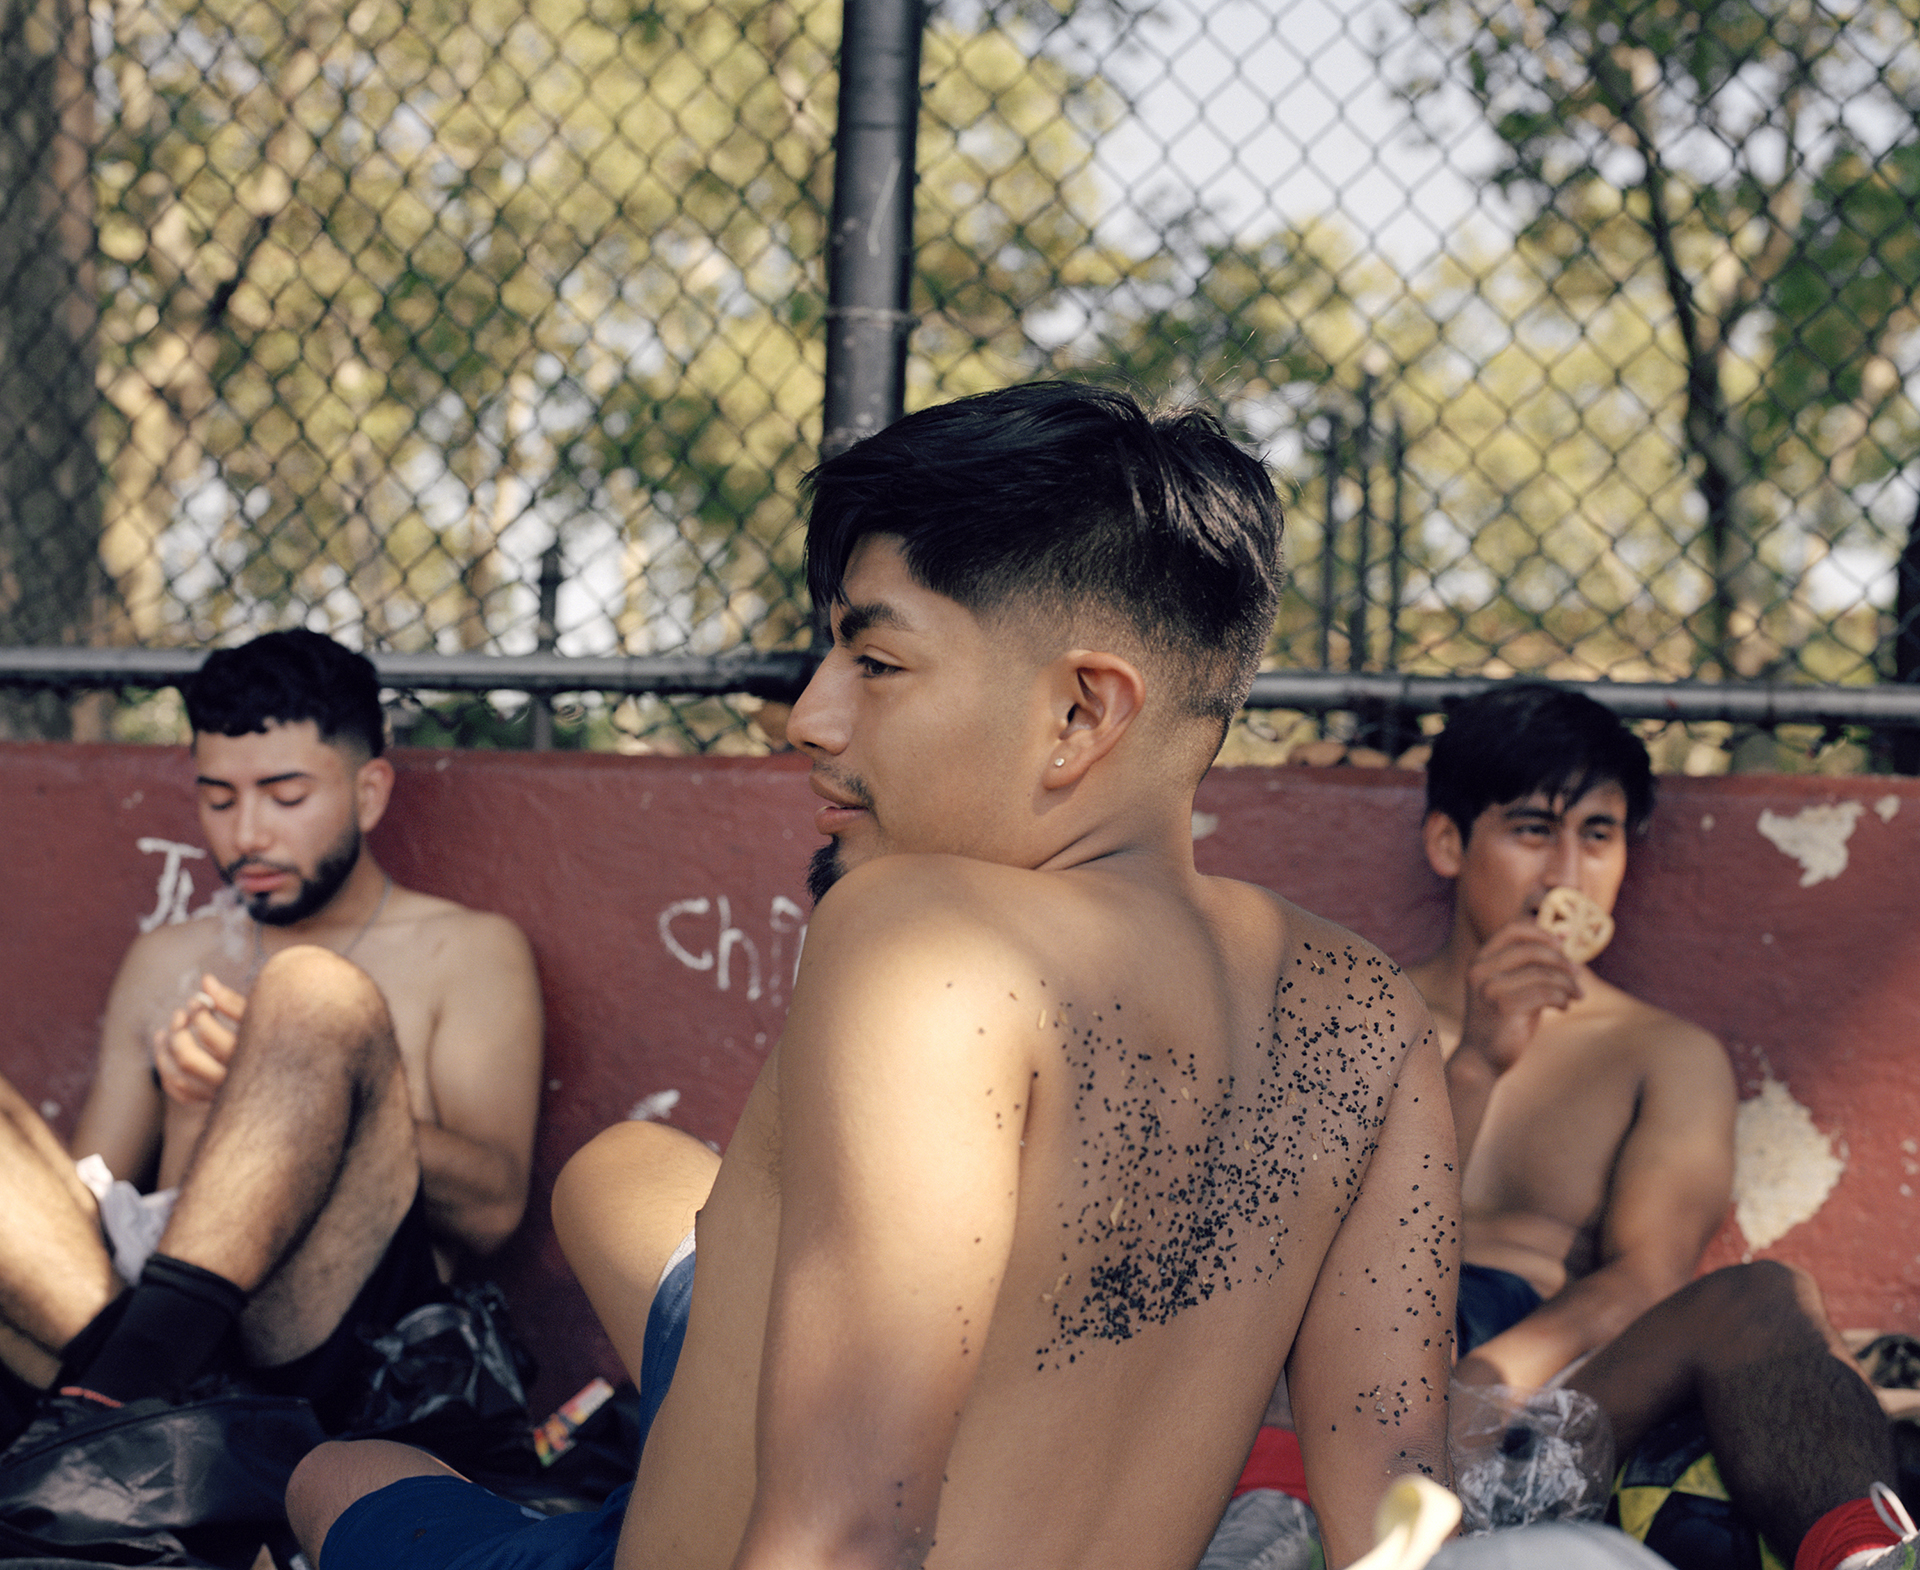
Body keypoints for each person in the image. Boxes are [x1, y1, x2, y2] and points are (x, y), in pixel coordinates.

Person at [286, 381, 1459, 1570]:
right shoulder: (1373, 1012)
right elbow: (1398, 1511)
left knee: (333, 1474)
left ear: (1080, 710)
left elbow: (848, 1530)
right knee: (631, 1180)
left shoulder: (919, 927)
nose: (809, 715)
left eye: (877, 659)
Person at [0, 628, 543, 1444]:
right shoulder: (166, 958)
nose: (247, 834)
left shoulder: (465, 951)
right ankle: (145, 1417)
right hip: (133, 1320)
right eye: (218, 799)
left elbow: (495, 1207)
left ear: (368, 793)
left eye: (285, 798)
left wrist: (297, 1098)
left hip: (327, 1343)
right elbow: (94, 1191)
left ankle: (120, 1419)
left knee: (311, 992)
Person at [1404, 683, 1737, 1389]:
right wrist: (1474, 1069)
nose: (1566, 876)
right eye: (1532, 830)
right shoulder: (1362, 1019)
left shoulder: (1665, 1055)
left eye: (1597, 835)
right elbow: (1329, 1248)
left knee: (1767, 1304)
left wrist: (1490, 1385)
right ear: (1447, 843)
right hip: (1369, 1346)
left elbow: (1650, 1276)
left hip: (1546, 1371)